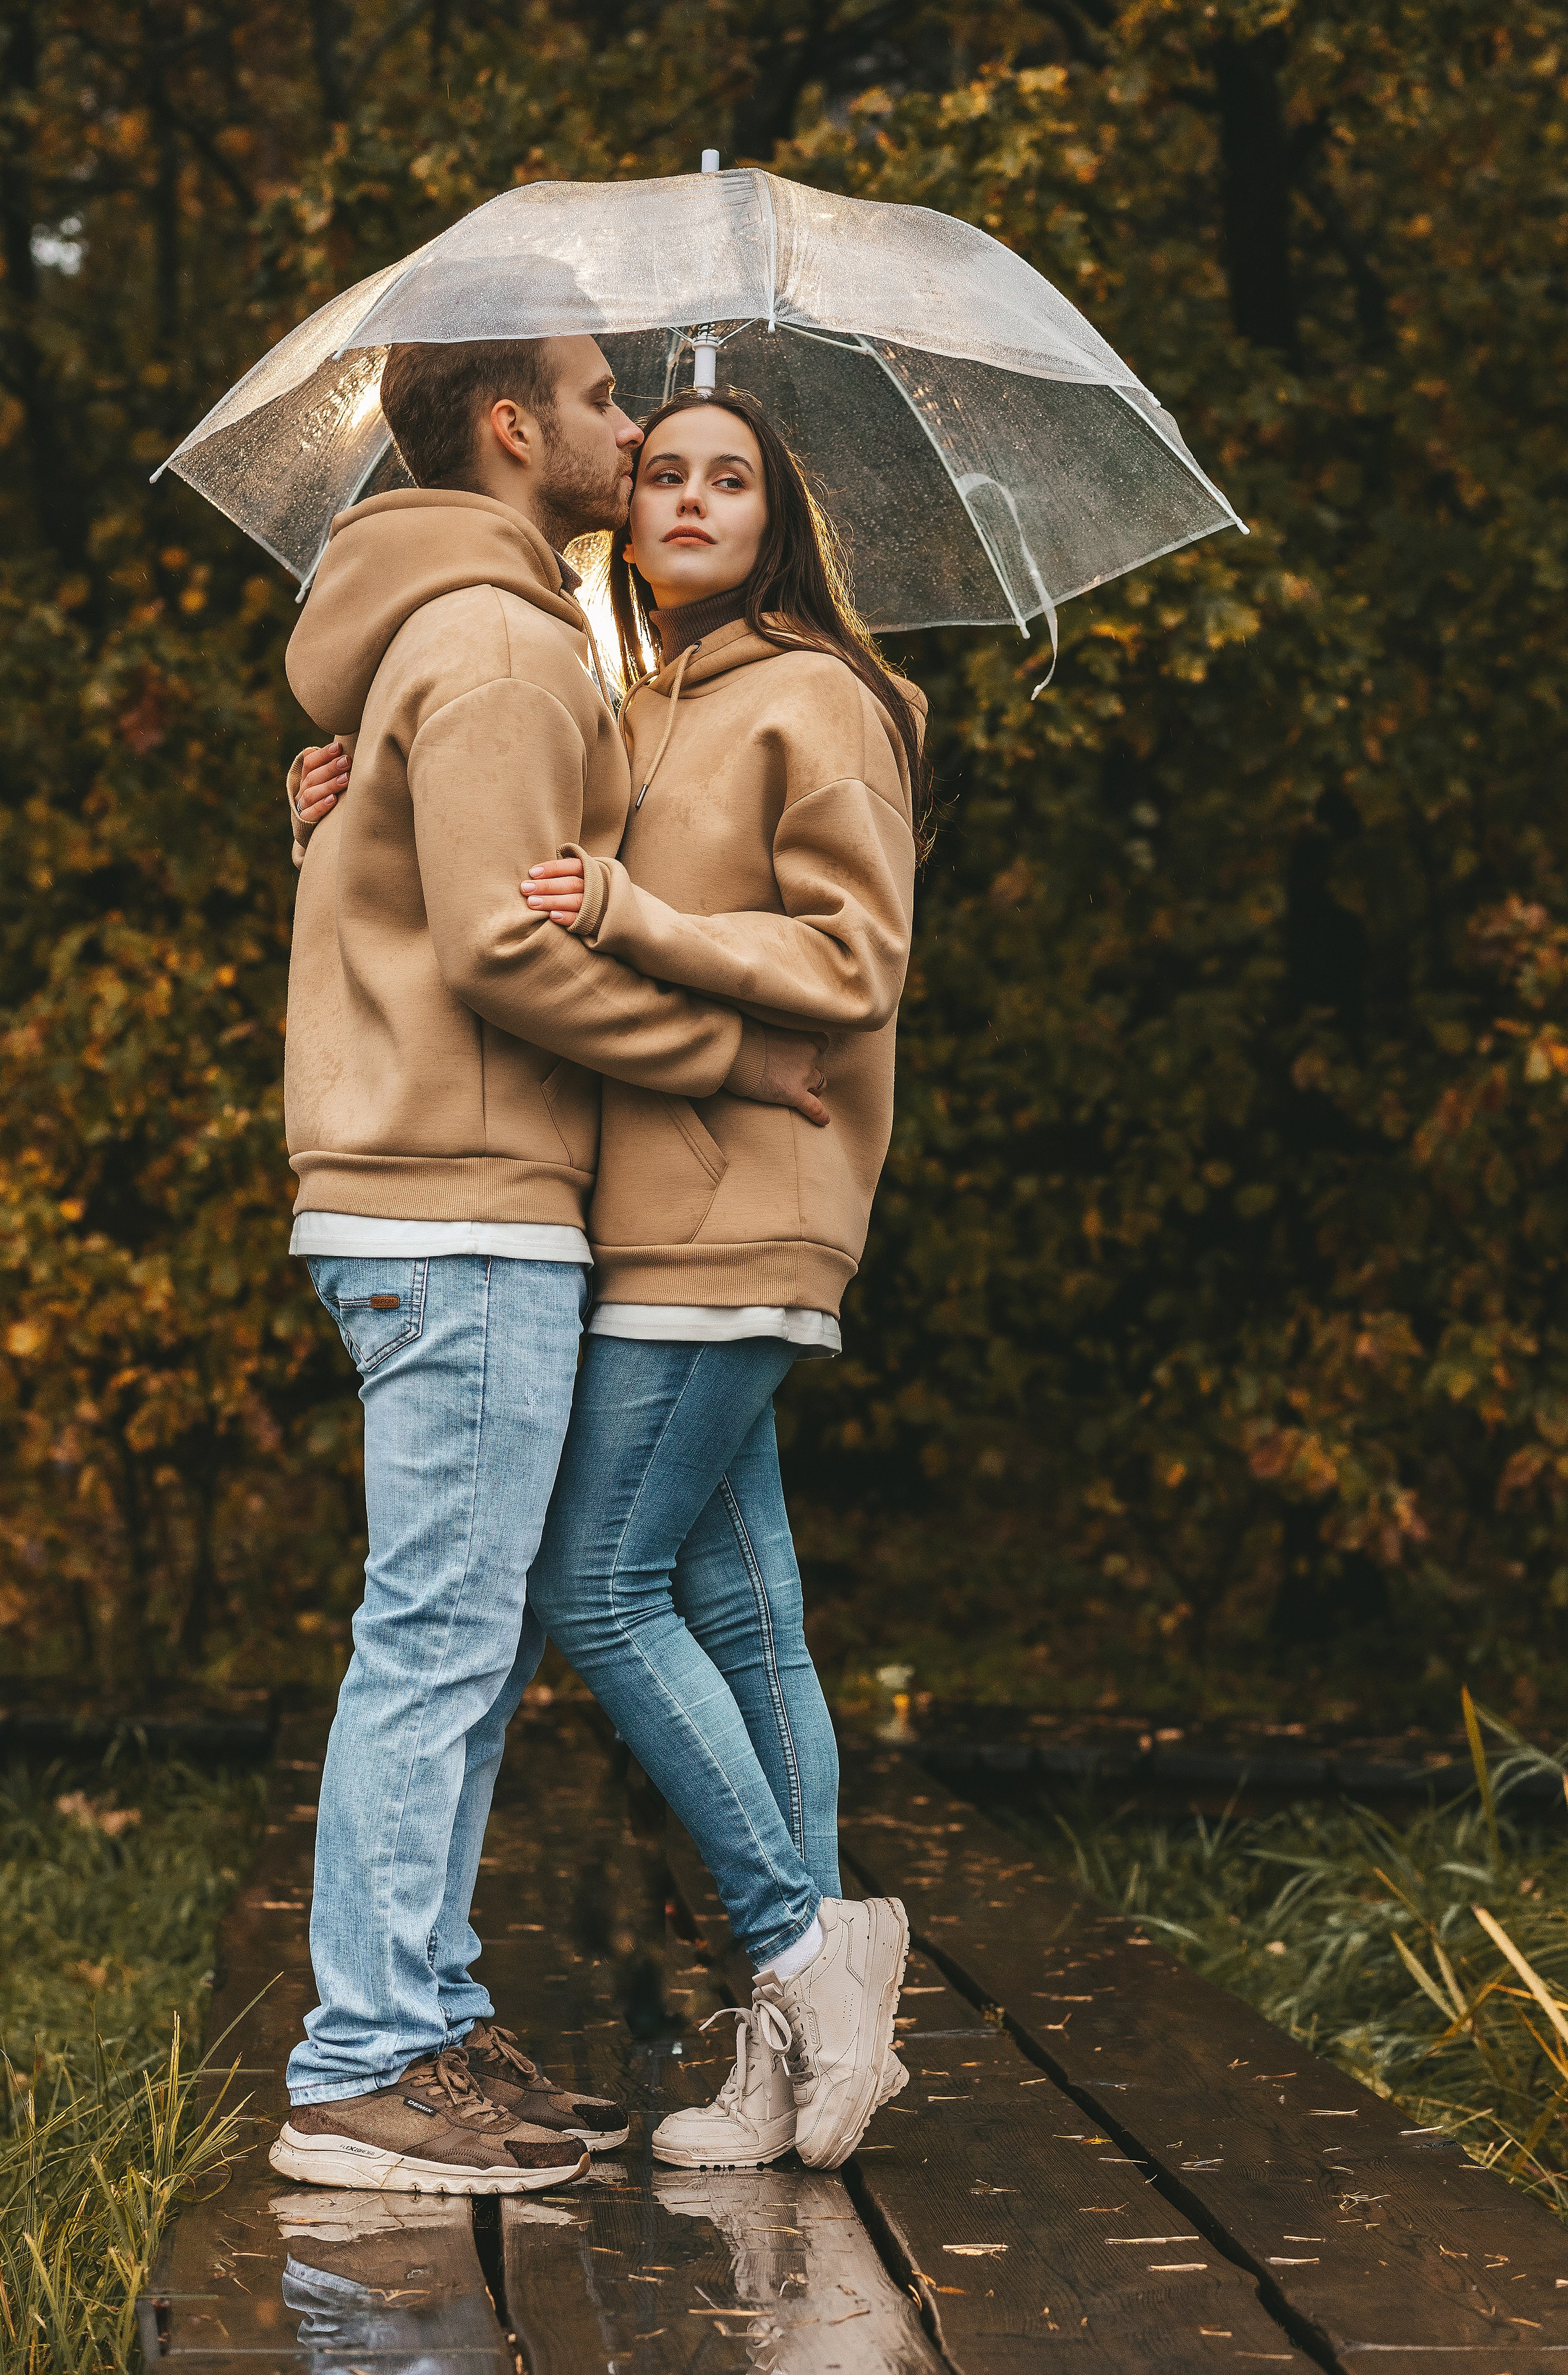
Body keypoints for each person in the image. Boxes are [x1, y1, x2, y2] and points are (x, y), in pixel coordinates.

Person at [268, 335, 829, 2196]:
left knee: (454, 1633)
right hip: (463, 1198)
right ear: (515, 428)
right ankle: (367, 2060)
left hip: (436, 1189)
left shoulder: (457, 627)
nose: (630, 438)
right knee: (438, 1638)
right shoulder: (503, 643)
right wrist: (728, 1056)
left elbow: (417, 897)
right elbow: (508, 954)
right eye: (604, 408)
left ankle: (419, 2021)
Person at [518, 388, 927, 2172]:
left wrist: (630, 911)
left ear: (778, 518)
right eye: (663, 469)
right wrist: (350, 799)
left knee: (592, 1585)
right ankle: (800, 2055)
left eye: (728, 477)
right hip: (657, 1207)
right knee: (749, 1618)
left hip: (746, 1198)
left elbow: (858, 953)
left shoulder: (815, 694)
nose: (688, 496)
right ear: (628, 504)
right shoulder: (637, 696)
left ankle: (800, 1951)